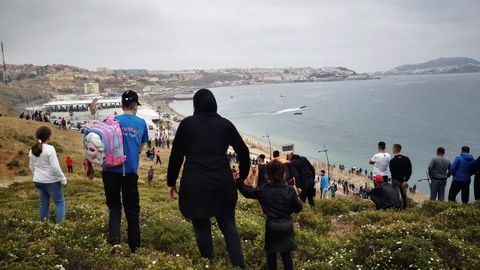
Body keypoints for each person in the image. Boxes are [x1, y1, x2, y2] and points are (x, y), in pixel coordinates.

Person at [167, 89, 249, 269]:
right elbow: (244, 151)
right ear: (214, 104)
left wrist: (171, 182)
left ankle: (208, 264)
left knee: (202, 227)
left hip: (195, 184)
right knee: (228, 224)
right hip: (222, 183)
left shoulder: (186, 125)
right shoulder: (225, 124)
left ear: (195, 105)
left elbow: (176, 156)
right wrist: (242, 176)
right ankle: (239, 265)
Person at [102, 90, 149, 253]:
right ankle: (134, 247)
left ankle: (114, 241)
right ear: (135, 106)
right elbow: (140, 149)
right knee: (132, 208)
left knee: (114, 206)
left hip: (109, 171)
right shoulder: (141, 123)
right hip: (129, 172)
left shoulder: (111, 120)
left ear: (122, 106)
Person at [236, 160, 302, 270]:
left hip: (272, 226)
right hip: (287, 226)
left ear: (267, 175)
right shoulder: (290, 190)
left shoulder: (264, 190)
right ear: (283, 174)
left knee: (271, 254)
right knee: (286, 255)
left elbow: (247, 192)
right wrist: (294, 198)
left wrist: (238, 180)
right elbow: (298, 208)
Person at [28, 126, 67, 224]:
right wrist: (63, 180)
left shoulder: (32, 149)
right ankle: (60, 227)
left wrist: (36, 175)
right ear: (48, 137)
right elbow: (55, 167)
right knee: (60, 203)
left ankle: (44, 225)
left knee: (44, 204)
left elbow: (31, 166)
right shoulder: (50, 149)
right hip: (51, 181)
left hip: (38, 181)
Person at [389, 144, 412, 209]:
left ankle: (397, 209)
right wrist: (405, 180)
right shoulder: (406, 159)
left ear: (395, 149)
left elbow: (393, 173)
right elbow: (409, 171)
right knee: (404, 195)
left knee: (396, 195)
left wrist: (400, 179)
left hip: (395, 180)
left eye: (393, 148)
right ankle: (405, 208)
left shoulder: (392, 161)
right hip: (404, 181)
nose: (392, 149)